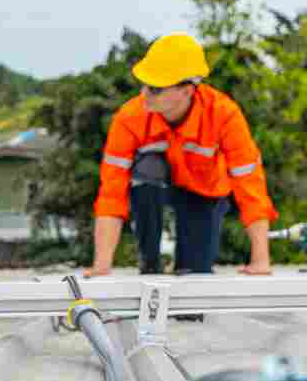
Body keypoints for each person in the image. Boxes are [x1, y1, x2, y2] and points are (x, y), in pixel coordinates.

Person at [85, 33, 277, 277]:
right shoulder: (130, 118)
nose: (145, 94)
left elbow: (251, 187)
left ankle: (189, 266)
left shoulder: (223, 115)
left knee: (194, 276)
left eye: (155, 88)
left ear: (186, 91)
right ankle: (150, 263)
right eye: (144, 85)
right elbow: (111, 192)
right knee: (148, 169)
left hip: (203, 192)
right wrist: (102, 265)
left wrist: (261, 260)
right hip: (154, 187)